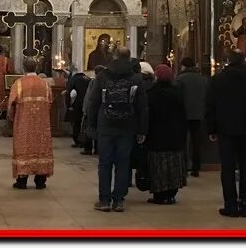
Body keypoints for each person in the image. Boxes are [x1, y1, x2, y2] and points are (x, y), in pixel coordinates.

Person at [205, 50, 246, 218]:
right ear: (244, 62)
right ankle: (245, 205)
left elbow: (211, 104)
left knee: (228, 168)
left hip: (226, 130)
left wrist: (211, 129)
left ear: (229, 61)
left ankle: (230, 205)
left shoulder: (218, 79)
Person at [85, 47, 148, 212]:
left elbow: (93, 102)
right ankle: (119, 200)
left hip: (105, 125)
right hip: (127, 126)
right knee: (122, 164)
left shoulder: (103, 76)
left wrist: (91, 125)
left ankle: (104, 200)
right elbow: (142, 106)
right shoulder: (136, 78)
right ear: (129, 58)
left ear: (114, 56)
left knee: (104, 163)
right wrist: (142, 130)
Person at [7, 57, 54, 190]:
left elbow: (11, 104)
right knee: (40, 148)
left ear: (24, 68)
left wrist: (11, 117)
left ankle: (22, 180)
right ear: (36, 68)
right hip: (41, 124)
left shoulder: (19, 83)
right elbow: (50, 102)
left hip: (24, 123)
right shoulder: (45, 84)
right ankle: (41, 180)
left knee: (24, 148)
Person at [144, 64, 187, 204]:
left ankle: (160, 195)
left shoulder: (152, 93)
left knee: (158, 166)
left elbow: (148, 115)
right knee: (174, 165)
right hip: (175, 135)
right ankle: (171, 194)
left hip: (157, 136)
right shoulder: (177, 93)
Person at [174, 57, 207, 177]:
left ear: (183, 66)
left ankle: (184, 166)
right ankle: (196, 167)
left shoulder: (180, 79)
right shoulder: (202, 79)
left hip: (183, 113)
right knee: (196, 141)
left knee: (182, 140)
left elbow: (177, 97)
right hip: (198, 113)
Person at [65, 69, 90, 149]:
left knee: (76, 123)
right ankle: (84, 142)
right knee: (84, 124)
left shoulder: (73, 80)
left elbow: (68, 92)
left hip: (76, 105)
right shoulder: (88, 79)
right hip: (86, 104)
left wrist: (68, 105)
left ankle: (77, 141)